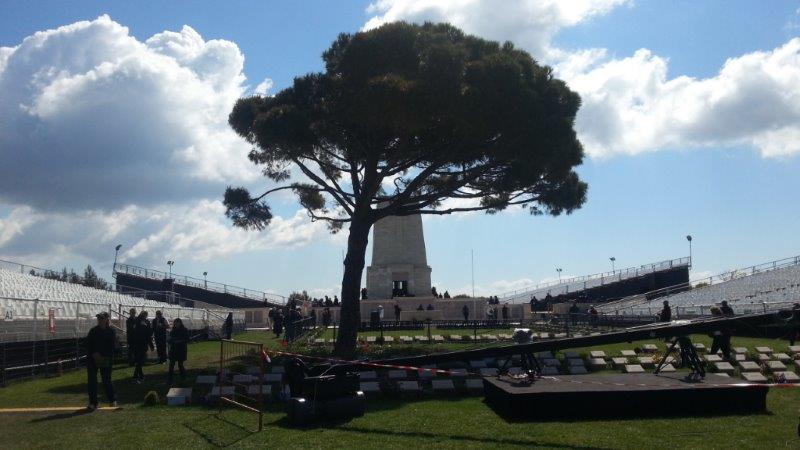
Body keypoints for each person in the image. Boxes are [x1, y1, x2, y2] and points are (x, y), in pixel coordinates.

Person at [86, 312, 116, 410]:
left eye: (102, 318)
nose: (100, 320)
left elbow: (111, 346)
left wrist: (102, 354)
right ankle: (93, 402)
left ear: (107, 319)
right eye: (99, 318)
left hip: (106, 358)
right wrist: (94, 353)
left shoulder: (111, 331)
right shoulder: (93, 331)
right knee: (92, 381)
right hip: (92, 359)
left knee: (106, 380)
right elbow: (88, 344)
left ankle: (112, 400)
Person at [131, 311, 154, 384]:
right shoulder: (141, 322)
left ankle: (140, 376)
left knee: (139, 361)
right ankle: (136, 376)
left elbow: (148, 333)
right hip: (140, 344)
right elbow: (148, 334)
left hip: (139, 344)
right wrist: (151, 344)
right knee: (140, 361)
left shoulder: (139, 321)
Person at [167, 317, 189, 384]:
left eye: (178, 323)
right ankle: (170, 378)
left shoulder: (184, 330)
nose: (176, 325)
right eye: (175, 323)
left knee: (180, 364)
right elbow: (169, 339)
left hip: (181, 349)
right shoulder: (172, 331)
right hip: (173, 349)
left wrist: (180, 341)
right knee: (171, 364)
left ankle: (183, 377)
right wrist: (170, 340)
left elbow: (187, 339)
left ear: (180, 323)